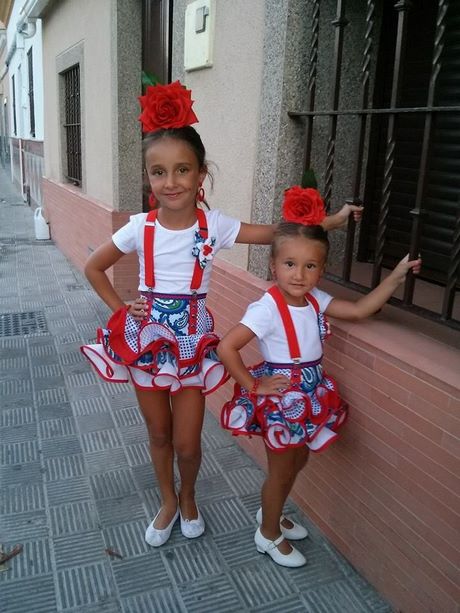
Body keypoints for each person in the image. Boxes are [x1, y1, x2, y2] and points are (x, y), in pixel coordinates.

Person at [80, 81, 363, 548]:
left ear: (200, 175)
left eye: (182, 170)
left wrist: (325, 222)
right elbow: (95, 267)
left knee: (189, 442)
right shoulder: (139, 228)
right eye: (158, 172)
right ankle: (168, 501)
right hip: (146, 341)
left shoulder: (215, 226)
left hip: (191, 344)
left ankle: (189, 496)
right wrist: (120, 309)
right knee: (158, 434)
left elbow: (276, 234)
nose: (170, 182)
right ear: (148, 177)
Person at [217, 212, 421, 568]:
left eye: (310, 266)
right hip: (283, 399)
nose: (299, 274)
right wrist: (253, 385)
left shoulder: (314, 301)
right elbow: (226, 347)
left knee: (299, 459)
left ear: (322, 269)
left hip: (310, 393)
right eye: (290, 264)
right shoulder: (268, 308)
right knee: (281, 470)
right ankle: (267, 533)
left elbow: (359, 310)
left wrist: (396, 277)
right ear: (274, 264)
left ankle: (273, 513)